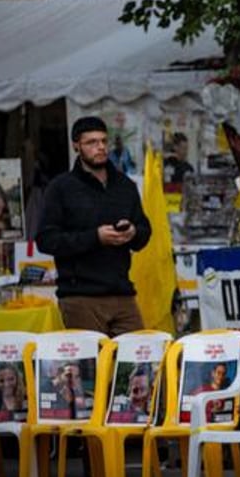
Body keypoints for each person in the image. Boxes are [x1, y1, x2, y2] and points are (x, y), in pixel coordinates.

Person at [37, 117, 152, 336]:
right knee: (92, 367)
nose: (100, 147)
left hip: (122, 293)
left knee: (138, 364)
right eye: (91, 142)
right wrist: (95, 237)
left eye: (103, 141)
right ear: (76, 146)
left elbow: (145, 231)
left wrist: (133, 232)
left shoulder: (125, 185)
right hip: (80, 297)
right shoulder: (60, 187)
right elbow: (46, 239)